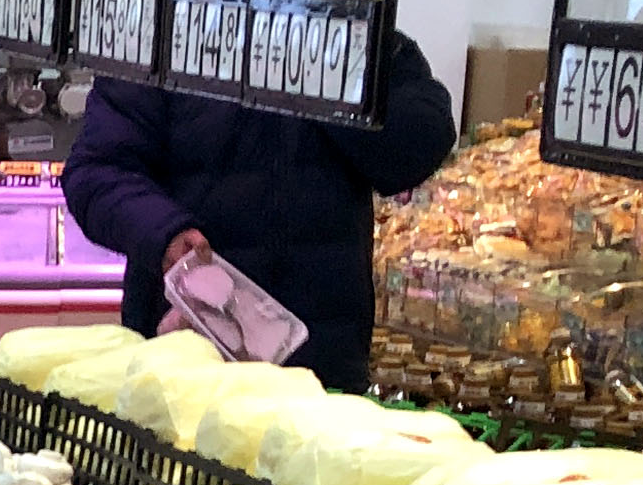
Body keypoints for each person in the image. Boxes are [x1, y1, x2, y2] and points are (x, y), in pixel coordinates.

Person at [61, 38, 458, 387]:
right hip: (186, 352)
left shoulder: (352, 42)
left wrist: (326, 68)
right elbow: (97, 171)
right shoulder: (167, 37)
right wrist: (163, 234)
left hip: (318, 361)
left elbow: (417, 146)